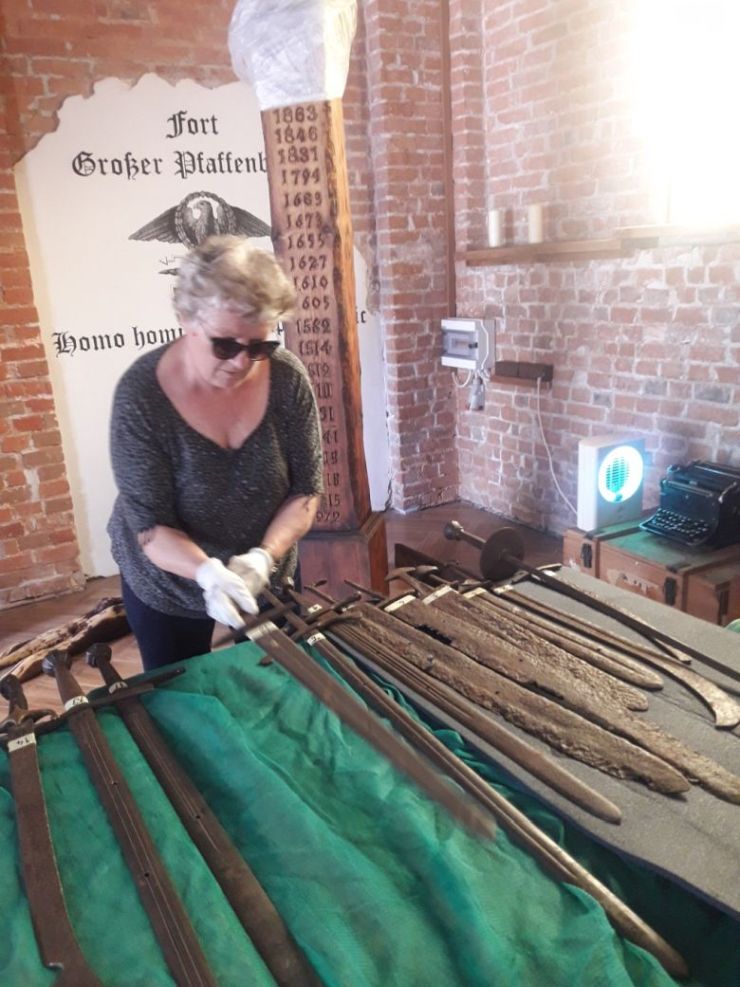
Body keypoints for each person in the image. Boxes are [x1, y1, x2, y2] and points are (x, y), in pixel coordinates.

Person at [107, 235, 323, 671]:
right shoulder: (141, 397)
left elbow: (306, 491)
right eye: (225, 345)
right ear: (186, 321)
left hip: (264, 570)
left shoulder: (286, 378)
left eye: (258, 346)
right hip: (167, 582)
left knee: (282, 682)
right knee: (180, 691)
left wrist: (264, 557)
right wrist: (207, 573)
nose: (242, 362)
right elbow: (150, 527)